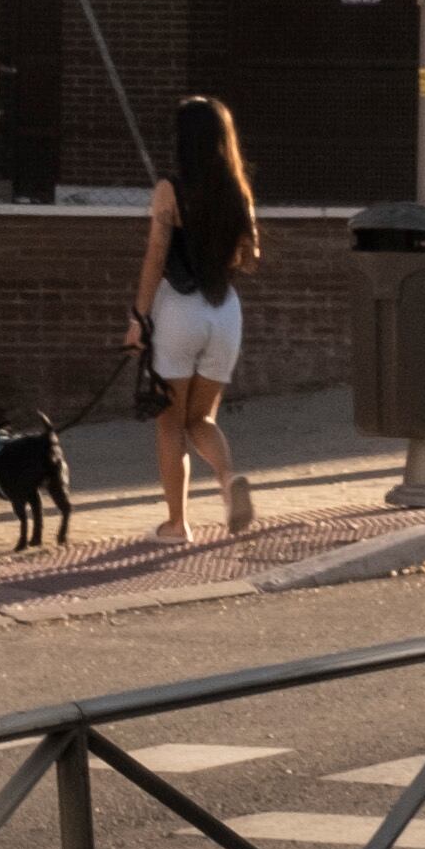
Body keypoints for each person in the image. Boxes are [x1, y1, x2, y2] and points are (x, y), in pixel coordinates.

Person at [129, 93, 260, 545]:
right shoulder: (238, 190)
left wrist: (137, 318)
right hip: (225, 311)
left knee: (170, 422)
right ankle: (227, 482)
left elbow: (154, 257)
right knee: (201, 418)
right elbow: (250, 256)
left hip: (179, 310)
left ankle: (176, 524)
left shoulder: (171, 189)